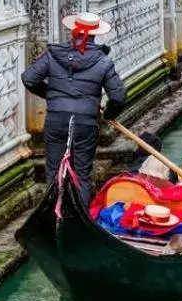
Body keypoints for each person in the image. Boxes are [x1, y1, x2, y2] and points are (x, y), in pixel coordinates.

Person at [21, 12, 126, 202]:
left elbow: (29, 78)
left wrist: (52, 95)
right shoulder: (104, 61)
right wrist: (108, 115)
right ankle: (80, 224)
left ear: (73, 31)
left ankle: (54, 221)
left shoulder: (54, 55)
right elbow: (118, 97)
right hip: (85, 121)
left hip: (57, 119)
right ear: (95, 34)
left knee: (53, 172)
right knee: (82, 175)